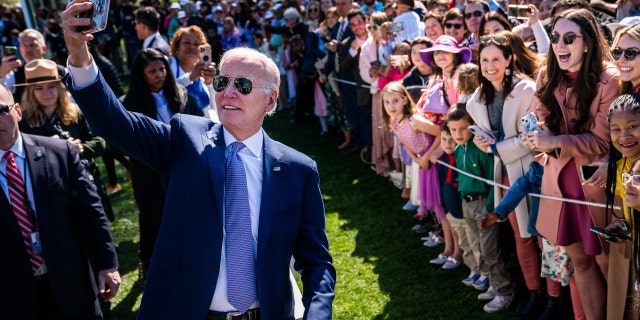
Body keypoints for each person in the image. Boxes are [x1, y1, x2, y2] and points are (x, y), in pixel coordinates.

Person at [61, 2, 336, 318]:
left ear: (271, 99)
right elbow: (115, 122)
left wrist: (317, 314)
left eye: (243, 85)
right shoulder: (184, 138)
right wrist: (79, 54)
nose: (227, 93)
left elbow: (316, 261)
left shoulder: (297, 170)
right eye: (221, 82)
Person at [525, 8, 619, 319]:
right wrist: (537, 136)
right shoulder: (545, 75)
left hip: (595, 192)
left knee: (610, 268)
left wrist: (553, 142)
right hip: (560, 190)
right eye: (555, 38)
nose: (560, 45)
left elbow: (603, 142)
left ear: (589, 42)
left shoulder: (609, 80)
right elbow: (542, 124)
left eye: (569, 38)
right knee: (580, 264)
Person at [0, 79, 120, 317]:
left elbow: (91, 212)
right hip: (12, 296)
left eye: (0, 110)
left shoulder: (59, 153)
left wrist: (107, 264)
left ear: (17, 111)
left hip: (72, 285)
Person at [465, 33, 542, 318]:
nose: (490, 65)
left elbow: (532, 137)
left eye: (496, 58)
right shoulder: (479, 97)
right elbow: (490, 138)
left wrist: (496, 147)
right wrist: (481, 142)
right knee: (519, 237)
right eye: (484, 60)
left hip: (532, 172)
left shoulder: (527, 91)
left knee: (539, 236)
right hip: (503, 175)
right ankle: (532, 292)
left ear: (509, 59)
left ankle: (550, 297)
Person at [122, 48, 203, 287]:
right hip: (149, 172)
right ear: (141, 74)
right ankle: (147, 264)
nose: (159, 74)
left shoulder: (178, 93)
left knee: (185, 216)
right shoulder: (131, 104)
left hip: (183, 166)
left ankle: (187, 265)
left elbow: (198, 122)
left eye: (162, 69)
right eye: (152, 71)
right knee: (153, 220)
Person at [446, 106, 503, 313]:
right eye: (453, 130)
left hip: (483, 204)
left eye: (463, 129)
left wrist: (489, 209)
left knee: (490, 250)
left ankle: (503, 290)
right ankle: (491, 283)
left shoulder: (480, 151)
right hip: (467, 203)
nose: (458, 134)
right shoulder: (459, 150)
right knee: (477, 245)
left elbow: (492, 181)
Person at [601, 94, 640, 320]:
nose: (624, 136)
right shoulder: (619, 166)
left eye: (632, 126)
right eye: (615, 129)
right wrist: (623, 224)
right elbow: (630, 208)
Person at [0, 29, 67, 103]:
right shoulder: (14, 73)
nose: (28, 50)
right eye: (24, 46)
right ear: (20, 49)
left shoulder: (62, 71)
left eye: (32, 45)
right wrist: (2, 74)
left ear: (44, 48)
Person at [168, 26, 218, 118]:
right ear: (177, 46)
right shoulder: (168, 65)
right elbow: (166, 91)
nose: (191, 47)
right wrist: (190, 77)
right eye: (186, 43)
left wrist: (210, 83)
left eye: (196, 44)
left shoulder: (203, 69)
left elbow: (214, 107)